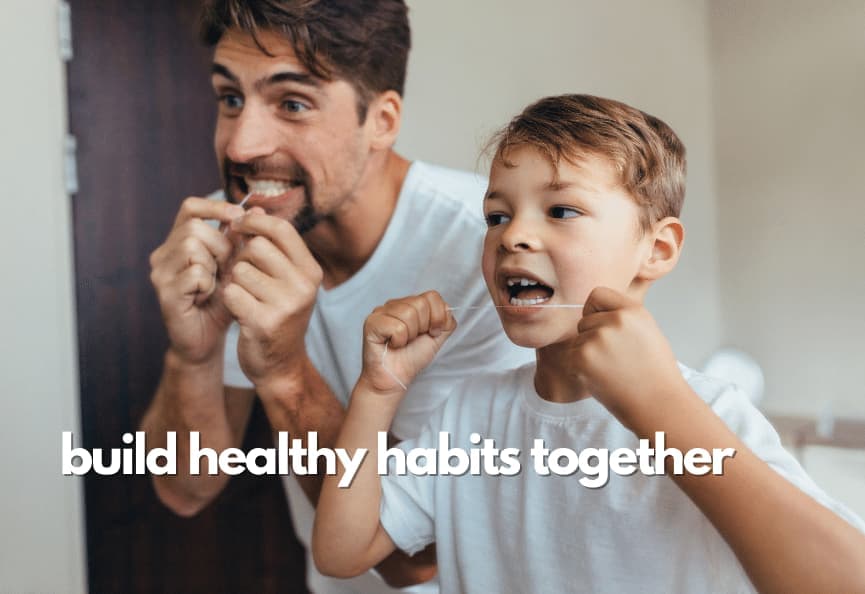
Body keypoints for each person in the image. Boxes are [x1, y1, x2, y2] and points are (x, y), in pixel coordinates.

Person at [312, 94, 865, 593]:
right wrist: (378, 391)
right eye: (496, 216)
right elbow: (342, 551)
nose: (513, 236)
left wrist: (660, 408)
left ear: (659, 248)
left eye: (562, 211)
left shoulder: (710, 413)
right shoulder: (467, 415)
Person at [141, 1, 532, 592]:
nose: (243, 146)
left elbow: (414, 558)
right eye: (230, 99)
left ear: (382, 120)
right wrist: (191, 354)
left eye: (292, 103)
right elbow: (185, 488)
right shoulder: (235, 239)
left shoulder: (493, 256)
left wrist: (284, 372)